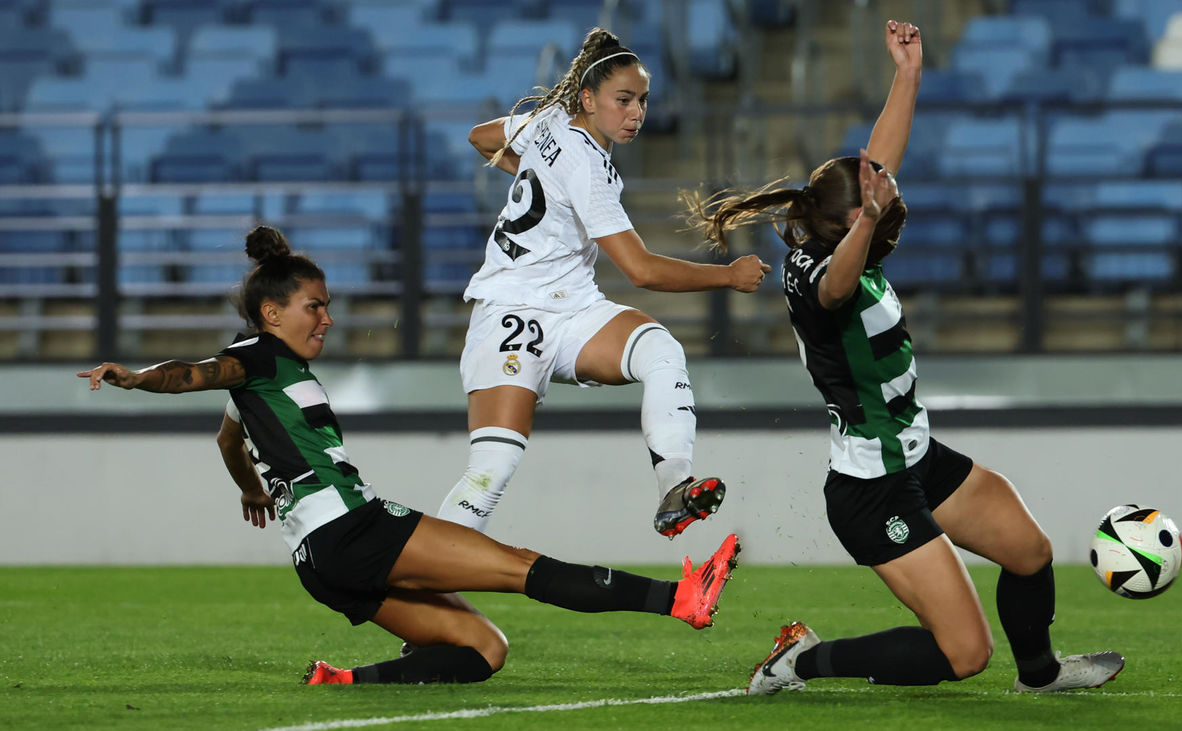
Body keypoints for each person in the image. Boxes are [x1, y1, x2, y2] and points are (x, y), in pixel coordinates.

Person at [76, 226, 740, 686]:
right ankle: (681, 597)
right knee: (518, 568)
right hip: (351, 526)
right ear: (273, 313)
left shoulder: (264, 381)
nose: (327, 319)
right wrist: (138, 377)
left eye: (329, 306)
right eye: (315, 307)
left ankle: (343, 679)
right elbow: (192, 372)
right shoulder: (256, 357)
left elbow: (227, 437)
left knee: (485, 648)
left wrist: (251, 488)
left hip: (318, 560)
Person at [680, 20, 1124, 694]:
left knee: (1028, 551)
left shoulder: (843, 226)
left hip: (916, 454)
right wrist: (868, 220)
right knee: (964, 653)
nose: (893, 213)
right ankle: (800, 658)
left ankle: (1039, 672)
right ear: (849, 224)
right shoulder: (817, 276)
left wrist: (907, 74)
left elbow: (877, 165)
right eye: (877, 212)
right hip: (870, 487)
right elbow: (836, 287)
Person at [439, 27, 772, 539]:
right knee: (491, 471)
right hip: (512, 309)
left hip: (572, 307)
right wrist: (727, 275)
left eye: (642, 100)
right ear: (588, 99)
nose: (636, 112)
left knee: (659, 351)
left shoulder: (550, 121)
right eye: (623, 100)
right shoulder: (587, 167)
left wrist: (536, 178)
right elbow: (640, 270)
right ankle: (417, 567)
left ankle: (676, 486)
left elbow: (481, 136)